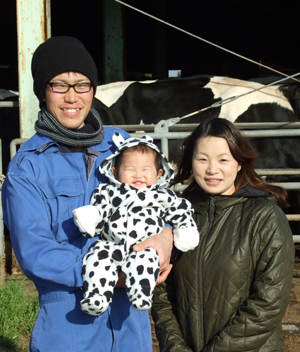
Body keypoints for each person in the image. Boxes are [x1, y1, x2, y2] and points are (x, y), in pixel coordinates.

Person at [1, 36, 174, 352]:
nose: (72, 96)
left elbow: (162, 200)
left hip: (130, 330)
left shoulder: (120, 144)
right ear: (43, 91)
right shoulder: (28, 167)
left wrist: (166, 236)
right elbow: (35, 252)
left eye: (81, 84)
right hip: (68, 329)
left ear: (93, 90)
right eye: (59, 85)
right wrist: (110, 273)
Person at [151, 117, 295, 352]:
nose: (212, 170)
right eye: (202, 159)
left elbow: (268, 305)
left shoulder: (265, 218)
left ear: (239, 163)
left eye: (223, 160)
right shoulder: (179, 218)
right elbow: (162, 292)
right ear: (191, 161)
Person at [72, 134, 200, 316]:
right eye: (130, 169)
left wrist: (184, 229)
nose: (138, 175)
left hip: (143, 248)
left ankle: (141, 293)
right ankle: (96, 296)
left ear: (159, 174)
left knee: (147, 259)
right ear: (115, 172)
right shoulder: (109, 192)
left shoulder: (161, 195)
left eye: (146, 170)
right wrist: (92, 217)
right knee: (97, 254)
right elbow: (101, 209)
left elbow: (179, 210)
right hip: (112, 246)